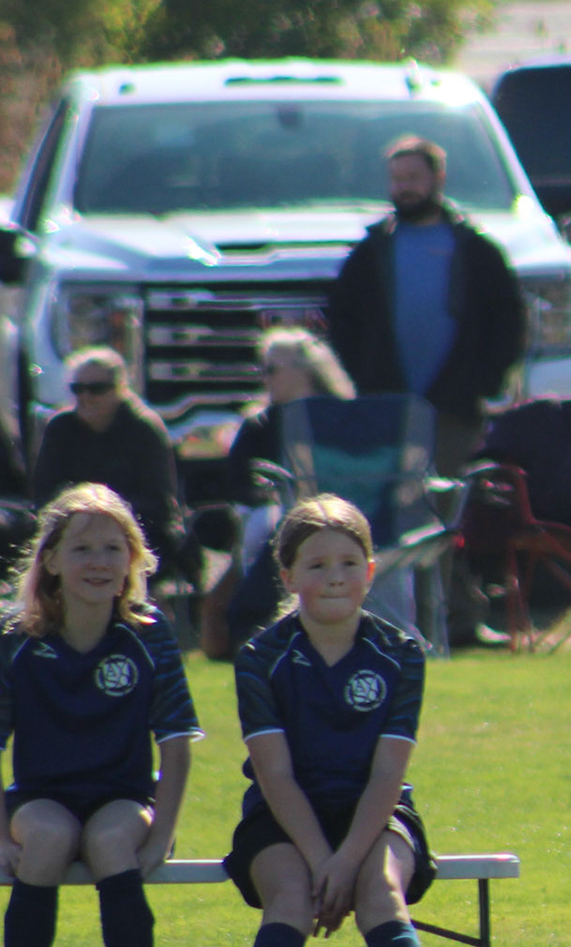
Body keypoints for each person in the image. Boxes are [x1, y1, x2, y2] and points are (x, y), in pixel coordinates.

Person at [226, 495, 448, 947]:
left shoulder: (399, 653)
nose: (334, 577)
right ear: (288, 576)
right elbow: (275, 774)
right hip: (282, 814)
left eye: (349, 563)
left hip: (375, 812)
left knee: (381, 890)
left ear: (370, 572)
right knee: (290, 892)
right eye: (317, 564)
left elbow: (388, 773)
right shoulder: (260, 657)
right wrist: (322, 859)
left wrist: (346, 860)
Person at [0, 485, 199, 947]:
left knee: (112, 841)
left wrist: (162, 833)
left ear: (132, 561)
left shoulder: (149, 632)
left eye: (113, 549)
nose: (98, 562)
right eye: (82, 548)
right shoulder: (16, 640)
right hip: (41, 799)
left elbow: (177, 742)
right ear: (51, 560)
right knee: (48, 838)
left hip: (123, 797)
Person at [326, 135, 528, 647]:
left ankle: (455, 618)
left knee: (444, 514)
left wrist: (483, 381)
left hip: (453, 408)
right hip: (388, 409)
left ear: (438, 179)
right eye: (397, 180)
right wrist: (366, 380)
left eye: (414, 178)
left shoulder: (474, 249)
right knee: (396, 515)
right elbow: (340, 320)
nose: (405, 188)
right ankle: (403, 620)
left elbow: (509, 320)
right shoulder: (373, 250)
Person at [202, 329, 358, 660]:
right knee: (267, 524)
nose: (265, 378)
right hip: (277, 513)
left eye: (272, 369)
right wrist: (269, 492)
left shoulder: (344, 419)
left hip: (343, 514)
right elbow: (239, 483)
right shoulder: (259, 424)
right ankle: (259, 621)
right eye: (262, 369)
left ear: (306, 370)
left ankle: (254, 620)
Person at [31, 349, 195, 585]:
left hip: (134, 530)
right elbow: (44, 493)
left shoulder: (144, 429)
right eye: (78, 389)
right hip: (71, 530)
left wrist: (104, 517)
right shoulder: (60, 428)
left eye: (96, 389)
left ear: (120, 389)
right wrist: (80, 517)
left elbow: (159, 503)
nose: (86, 397)